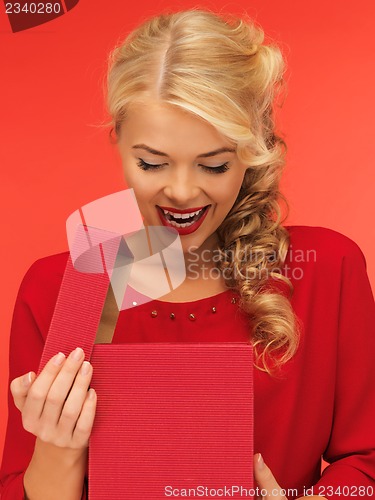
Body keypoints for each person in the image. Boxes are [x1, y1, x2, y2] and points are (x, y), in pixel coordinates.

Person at [1, 8, 374, 500]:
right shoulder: (64, 288)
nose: (181, 192)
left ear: (252, 148)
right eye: (151, 162)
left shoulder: (327, 268)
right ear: (117, 139)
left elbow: (366, 463)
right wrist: (57, 449)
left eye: (214, 165)